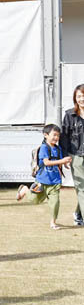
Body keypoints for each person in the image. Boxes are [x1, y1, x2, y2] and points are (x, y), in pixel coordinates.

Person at [17, 124, 71, 230]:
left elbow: (59, 163)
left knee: (55, 203)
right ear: (45, 135)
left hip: (55, 182)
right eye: (54, 135)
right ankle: (24, 190)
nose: (56, 138)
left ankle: (53, 223)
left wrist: (65, 164)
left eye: (58, 136)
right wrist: (62, 161)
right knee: (34, 200)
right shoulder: (43, 148)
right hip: (42, 181)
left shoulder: (58, 148)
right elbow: (46, 162)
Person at [59, 83, 84, 226]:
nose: (81, 99)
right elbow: (64, 137)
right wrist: (64, 156)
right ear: (75, 98)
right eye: (79, 96)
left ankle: (78, 213)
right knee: (82, 187)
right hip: (76, 155)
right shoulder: (70, 115)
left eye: (83, 96)